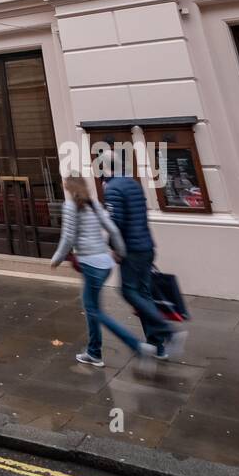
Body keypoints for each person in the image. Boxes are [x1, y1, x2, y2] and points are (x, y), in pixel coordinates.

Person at [50, 175, 155, 368]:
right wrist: (121, 252)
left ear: (69, 188)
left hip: (90, 264)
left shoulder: (71, 207)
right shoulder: (94, 204)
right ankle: (93, 351)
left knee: (94, 311)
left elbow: (68, 237)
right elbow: (113, 230)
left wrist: (56, 258)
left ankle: (137, 346)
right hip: (105, 263)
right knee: (91, 309)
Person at [104, 155, 187, 361]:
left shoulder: (114, 188)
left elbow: (116, 223)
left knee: (128, 292)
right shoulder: (134, 184)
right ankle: (156, 345)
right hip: (146, 246)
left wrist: (115, 248)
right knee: (144, 295)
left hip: (131, 250)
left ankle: (169, 332)